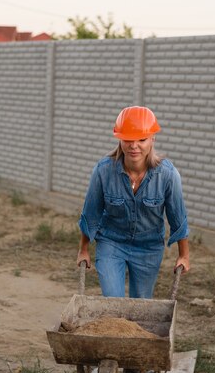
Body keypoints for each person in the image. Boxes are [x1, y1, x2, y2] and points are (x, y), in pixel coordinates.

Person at [77, 106, 190, 299]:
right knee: (113, 301)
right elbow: (91, 214)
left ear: (152, 139)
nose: (134, 145)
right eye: (128, 139)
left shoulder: (168, 175)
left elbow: (178, 218)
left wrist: (184, 256)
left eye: (142, 139)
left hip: (148, 247)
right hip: (111, 242)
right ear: (119, 138)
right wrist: (83, 250)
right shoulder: (103, 171)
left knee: (140, 305)